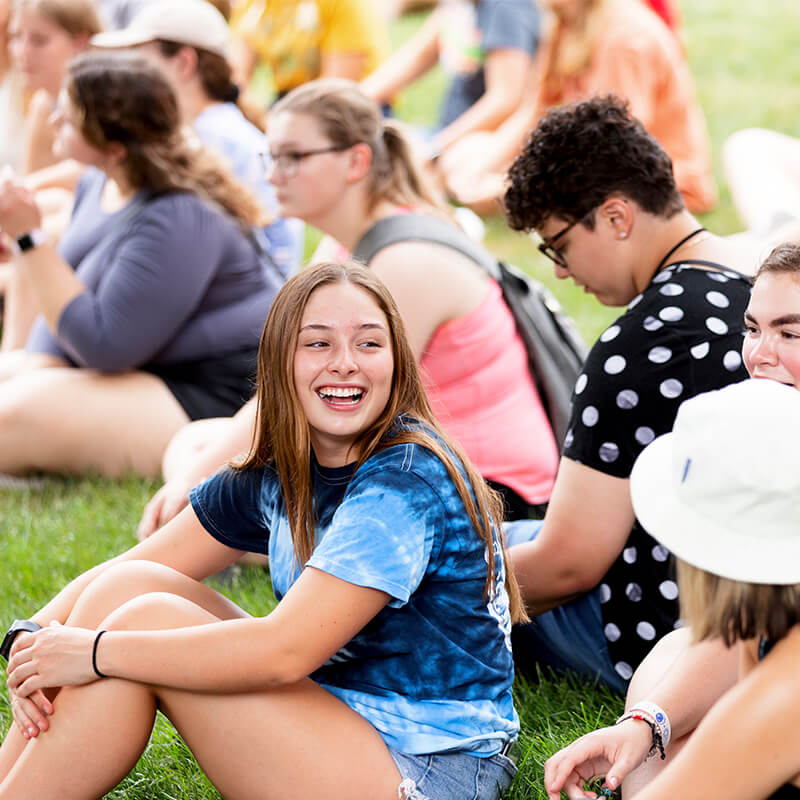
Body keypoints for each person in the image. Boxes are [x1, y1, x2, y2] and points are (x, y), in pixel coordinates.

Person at [0, 260, 521, 800]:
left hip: (430, 767)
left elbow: (284, 652)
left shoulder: (404, 482)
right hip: (340, 711)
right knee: (127, 590)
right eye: (317, 344)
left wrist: (93, 651)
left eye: (369, 344)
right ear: (279, 361)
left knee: (142, 621)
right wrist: (32, 637)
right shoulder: (284, 466)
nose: (345, 364)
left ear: (396, 361)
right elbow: (137, 566)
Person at [138, 78, 560, 538]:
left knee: (214, 481)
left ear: (356, 161)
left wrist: (198, 483)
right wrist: (202, 475)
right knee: (197, 446)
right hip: (412, 470)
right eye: (270, 157)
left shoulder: (406, 261)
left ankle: (244, 542)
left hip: (483, 497)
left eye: (293, 158)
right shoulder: (349, 245)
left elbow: (311, 400)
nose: (273, 175)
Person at [501, 95, 754, 694]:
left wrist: (412, 590)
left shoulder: (643, 344)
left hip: (661, 633)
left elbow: (569, 565)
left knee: (450, 562)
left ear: (616, 217)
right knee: (492, 539)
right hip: (756, 606)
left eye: (557, 244)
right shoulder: (761, 277)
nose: (559, 270)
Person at [540, 241, 800, 799]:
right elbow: (742, 625)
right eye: (753, 328)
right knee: (672, 661)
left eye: (790, 333)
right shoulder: (763, 447)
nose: (760, 354)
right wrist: (647, 723)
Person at [0, 50, 282, 479]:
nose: (55, 119)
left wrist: (29, 238)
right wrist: (39, 364)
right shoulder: (100, 181)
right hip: (147, 370)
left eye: (69, 114)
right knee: (16, 377)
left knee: (11, 415)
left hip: (214, 395)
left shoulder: (180, 215)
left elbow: (105, 345)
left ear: (113, 145)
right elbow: (73, 294)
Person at [443, 0, 715, 215]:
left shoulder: (626, 37)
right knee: (465, 156)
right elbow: (534, 111)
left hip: (652, 181)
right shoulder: (565, 21)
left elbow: (616, 148)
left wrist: (515, 189)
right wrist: (483, 168)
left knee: (483, 181)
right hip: (587, 157)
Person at [89, 0, 300, 277]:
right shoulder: (204, 128)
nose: (130, 73)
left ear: (184, 63)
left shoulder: (215, 140)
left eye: (140, 60)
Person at [361, 0, 541, 167]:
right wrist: (352, 98)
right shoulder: (460, 5)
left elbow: (505, 99)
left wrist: (435, 150)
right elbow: (417, 57)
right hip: (443, 132)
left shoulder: (507, 8)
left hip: (482, 144)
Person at [229, 0, 391, 101]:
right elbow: (237, 75)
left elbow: (338, 83)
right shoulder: (254, 4)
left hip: (348, 101)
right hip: (288, 97)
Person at [9, 0, 101, 174]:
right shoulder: (43, 102)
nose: (22, 51)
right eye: (15, 37)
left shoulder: (101, 101)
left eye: (39, 41)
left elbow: (98, 169)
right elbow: (31, 176)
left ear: (80, 43)